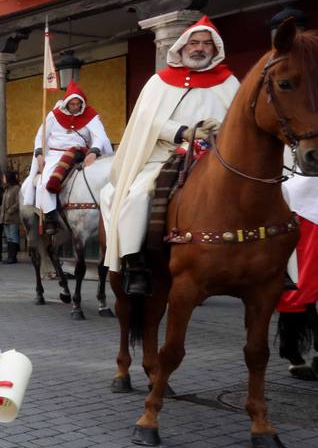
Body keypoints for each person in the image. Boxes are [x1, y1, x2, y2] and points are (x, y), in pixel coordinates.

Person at [101, 16, 240, 294]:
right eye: (194, 42)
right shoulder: (159, 82)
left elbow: (241, 121)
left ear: (215, 49)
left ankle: (276, 263)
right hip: (165, 155)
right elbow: (146, 121)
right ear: (182, 46)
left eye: (206, 44)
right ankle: (136, 263)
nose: (199, 48)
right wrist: (184, 132)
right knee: (137, 196)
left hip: (218, 155)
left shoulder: (229, 83)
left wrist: (220, 129)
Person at [23, 81, 113, 234]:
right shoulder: (54, 115)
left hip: (82, 154)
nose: (75, 107)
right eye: (72, 104)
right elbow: (40, 136)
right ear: (67, 103)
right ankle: (50, 216)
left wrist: (94, 151)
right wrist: (39, 154)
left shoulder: (90, 116)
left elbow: (100, 137)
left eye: (78, 104)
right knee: (45, 183)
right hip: (55, 155)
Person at [1, 170, 22, 264]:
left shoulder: (17, 188)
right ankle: (10, 256)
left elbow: (18, 202)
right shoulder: (7, 189)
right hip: (5, 217)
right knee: (9, 237)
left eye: (5, 177)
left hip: (13, 217)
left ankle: (13, 257)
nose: (3, 179)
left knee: (13, 237)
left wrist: (10, 210)